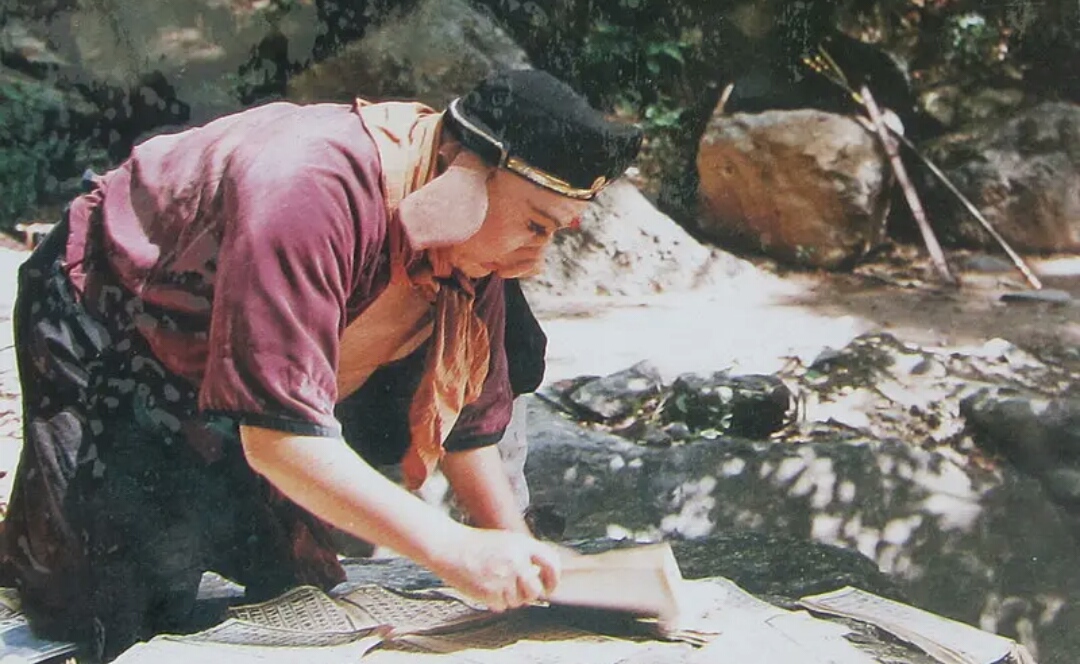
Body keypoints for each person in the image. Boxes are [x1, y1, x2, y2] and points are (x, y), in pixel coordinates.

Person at [0, 68, 643, 660]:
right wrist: (452, 549)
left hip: (250, 362)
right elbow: (278, 442)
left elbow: (469, 418)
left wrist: (521, 556)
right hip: (112, 317)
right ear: (463, 171)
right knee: (103, 610)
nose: (536, 258)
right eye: (536, 226)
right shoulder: (307, 188)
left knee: (289, 577)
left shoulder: (464, 237)